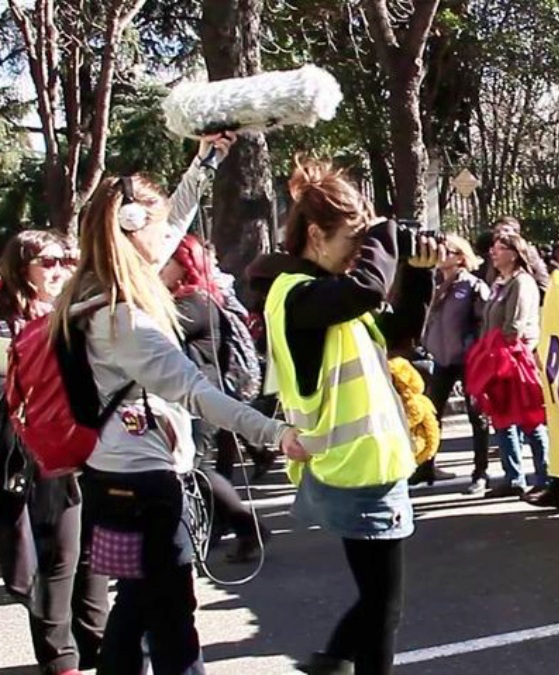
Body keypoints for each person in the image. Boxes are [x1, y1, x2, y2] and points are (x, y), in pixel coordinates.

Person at [60, 136, 303, 675]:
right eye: (156, 222)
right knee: (173, 616)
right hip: (146, 487)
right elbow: (196, 392)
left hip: (109, 478)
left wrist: (205, 162)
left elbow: (170, 226)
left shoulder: (89, 291)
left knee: (136, 603)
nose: (170, 234)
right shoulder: (124, 318)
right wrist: (275, 434)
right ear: (128, 226)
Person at [248, 158, 434, 675]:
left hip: (354, 466)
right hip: (356, 470)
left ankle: (329, 663)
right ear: (315, 234)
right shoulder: (300, 295)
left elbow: (398, 329)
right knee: (383, 606)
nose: (360, 253)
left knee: (377, 598)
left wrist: (418, 276)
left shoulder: (320, 293)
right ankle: (332, 663)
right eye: (353, 240)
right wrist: (386, 231)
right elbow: (369, 289)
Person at [0, 231, 108, 675]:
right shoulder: (7, 324)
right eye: (48, 262)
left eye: (67, 260)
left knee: (95, 554)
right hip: (33, 457)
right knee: (55, 557)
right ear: (19, 268)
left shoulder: (76, 314)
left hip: (91, 449)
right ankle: (60, 658)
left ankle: (98, 648)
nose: (59, 270)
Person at [161, 234, 268, 565]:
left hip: (203, 398)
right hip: (202, 396)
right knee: (204, 467)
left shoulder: (194, 303)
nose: (158, 268)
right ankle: (236, 530)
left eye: (166, 262)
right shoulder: (197, 299)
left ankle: (246, 528)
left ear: (185, 264)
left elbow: (158, 329)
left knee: (197, 467)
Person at [476, 231, 559, 508]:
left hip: (514, 357)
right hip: (495, 355)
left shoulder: (522, 282)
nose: (494, 252)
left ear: (515, 253)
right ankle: (513, 477)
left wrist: (500, 350)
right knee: (502, 417)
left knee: (529, 419)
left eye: (501, 248)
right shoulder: (499, 282)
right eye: (494, 247)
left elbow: (515, 325)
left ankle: (545, 478)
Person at [421, 234, 493, 495]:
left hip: (467, 360)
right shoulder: (437, 284)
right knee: (430, 413)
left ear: (461, 257)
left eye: (448, 251)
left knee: (477, 415)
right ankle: (426, 465)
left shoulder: (472, 285)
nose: (442, 255)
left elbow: (484, 322)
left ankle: (481, 472)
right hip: (441, 358)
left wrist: (472, 347)